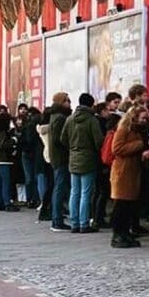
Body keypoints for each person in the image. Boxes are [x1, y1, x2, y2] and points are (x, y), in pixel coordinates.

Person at [110, 105, 149, 247]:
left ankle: (125, 233)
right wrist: (139, 144)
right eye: (143, 118)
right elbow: (117, 148)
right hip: (123, 172)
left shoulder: (139, 131)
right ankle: (118, 235)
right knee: (121, 205)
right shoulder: (124, 129)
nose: (145, 121)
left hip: (133, 171)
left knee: (129, 206)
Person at [60, 92, 102, 232]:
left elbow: (63, 139)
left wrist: (73, 148)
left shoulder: (70, 119)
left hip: (73, 157)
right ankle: (84, 223)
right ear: (91, 104)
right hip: (88, 158)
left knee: (74, 192)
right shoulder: (92, 120)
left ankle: (74, 223)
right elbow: (98, 141)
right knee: (86, 193)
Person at [45, 92, 72, 231]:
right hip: (61, 158)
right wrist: (68, 145)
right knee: (60, 187)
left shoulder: (55, 116)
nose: (69, 103)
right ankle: (57, 220)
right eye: (67, 100)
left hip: (57, 157)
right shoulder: (60, 118)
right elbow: (59, 139)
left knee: (60, 187)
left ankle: (58, 217)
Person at [0, 109, 19, 211]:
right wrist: (13, 140)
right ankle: (7, 203)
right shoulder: (3, 132)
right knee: (6, 181)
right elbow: (2, 145)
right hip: (3, 159)